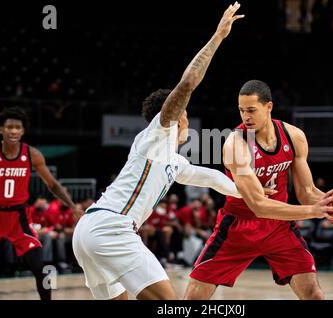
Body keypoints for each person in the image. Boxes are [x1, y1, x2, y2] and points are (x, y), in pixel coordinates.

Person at [72, 2, 246, 301]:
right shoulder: (157, 134)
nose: (187, 118)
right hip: (112, 228)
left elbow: (213, 179)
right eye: (185, 113)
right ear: (177, 116)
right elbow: (188, 83)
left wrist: (252, 194)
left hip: (89, 231)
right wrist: (218, 36)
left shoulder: (174, 162)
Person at [184, 80, 333, 300]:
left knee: (314, 295)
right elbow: (259, 206)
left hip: (279, 227)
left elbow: (307, 192)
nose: (245, 116)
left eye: (251, 110)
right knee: (193, 299)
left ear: (269, 107)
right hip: (238, 227)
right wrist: (313, 212)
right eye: (241, 110)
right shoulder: (235, 145)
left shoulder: (294, 136)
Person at [0, 107, 84, 300]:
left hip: (18, 217)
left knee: (40, 268)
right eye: (9, 127)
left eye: (18, 127)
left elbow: (52, 184)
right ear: (1, 130)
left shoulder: (32, 155)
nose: (13, 131)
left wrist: (73, 205)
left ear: (23, 131)